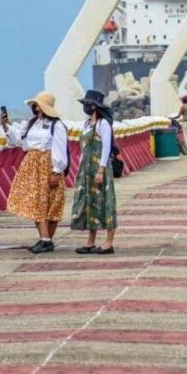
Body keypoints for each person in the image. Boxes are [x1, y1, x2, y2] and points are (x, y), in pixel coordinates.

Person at [2, 91, 67, 253]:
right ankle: (45, 240)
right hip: (32, 164)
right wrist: (6, 126)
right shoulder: (31, 122)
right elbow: (18, 141)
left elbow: (60, 148)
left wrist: (57, 170)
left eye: (38, 105)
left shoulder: (57, 125)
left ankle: (46, 240)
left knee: (51, 203)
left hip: (47, 164)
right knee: (35, 201)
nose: (35, 107)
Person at [71, 90, 118, 254]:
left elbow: (106, 148)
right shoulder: (86, 124)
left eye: (88, 104)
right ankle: (90, 241)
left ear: (95, 106)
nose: (85, 107)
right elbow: (83, 150)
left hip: (99, 168)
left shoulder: (103, 124)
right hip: (86, 169)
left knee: (105, 202)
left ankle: (108, 242)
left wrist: (101, 169)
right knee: (90, 203)